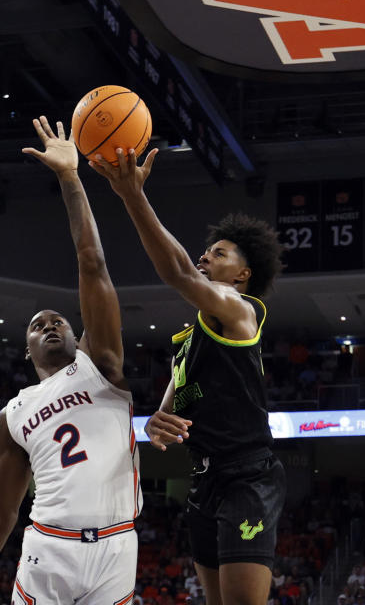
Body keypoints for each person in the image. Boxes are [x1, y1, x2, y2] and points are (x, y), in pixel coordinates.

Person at [0, 117, 141, 605]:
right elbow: (1, 511)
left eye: (59, 321)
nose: (50, 325)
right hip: (48, 549)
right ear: (26, 349)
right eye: (37, 324)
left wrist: (70, 179)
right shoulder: (13, 414)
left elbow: (91, 260)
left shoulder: (101, 363)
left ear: (78, 334)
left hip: (117, 546)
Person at [90, 147, 285, 605]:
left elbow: (176, 270)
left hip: (248, 477)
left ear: (243, 275)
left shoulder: (242, 311)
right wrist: (158, 422)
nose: (205, 256)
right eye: (207, 250)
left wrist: (132, 195)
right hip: (204, 481)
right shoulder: (189, 339)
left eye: (219, 253)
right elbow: (167, 412)